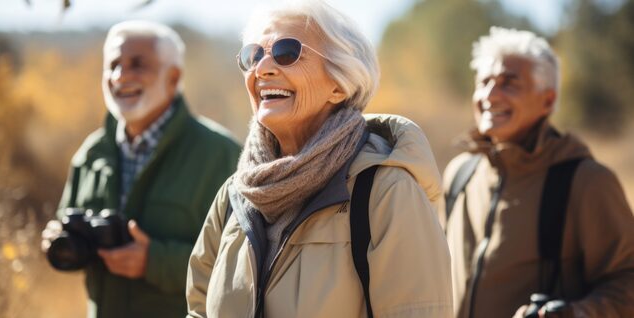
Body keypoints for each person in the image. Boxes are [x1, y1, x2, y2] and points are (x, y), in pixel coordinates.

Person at [186, 1, 453, 317]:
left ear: (339, 86)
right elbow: (199, 309)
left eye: (287, 52)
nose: (262, 68)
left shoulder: (386, 191)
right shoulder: (234, 196)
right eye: (253, 55)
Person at [40, 21, 241, 318]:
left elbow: (242, 266)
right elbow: (64, 232)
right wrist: (58, 242)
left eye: (137, 65)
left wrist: (154, 261)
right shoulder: (90, 155)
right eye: (113, 65)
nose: (121, 76)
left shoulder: (222, 155)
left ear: (173, 78)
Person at [444, 26, 634, 318]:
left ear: (547, 100)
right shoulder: (460, 174)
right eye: (484, 81)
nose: (490, 96)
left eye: (509, 83)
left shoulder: (587, 181)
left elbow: (626, 282)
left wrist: (572, 314)